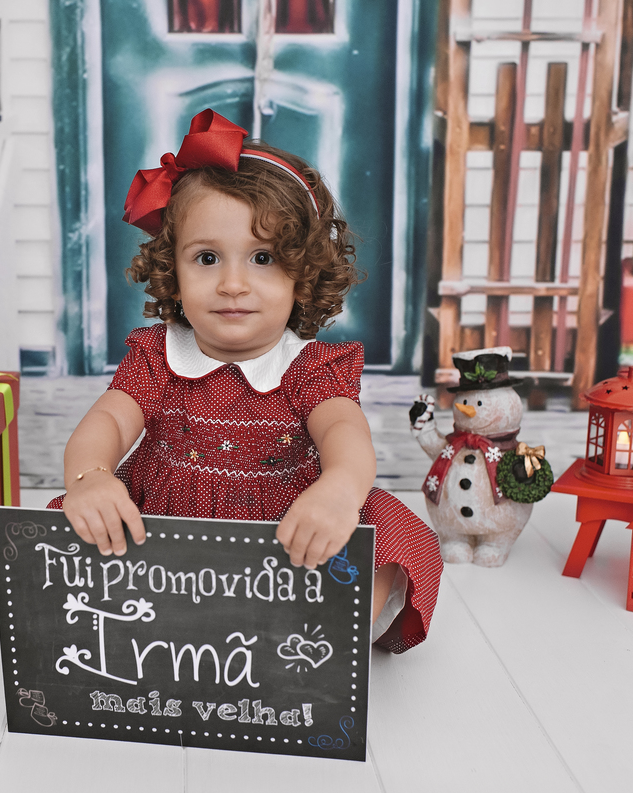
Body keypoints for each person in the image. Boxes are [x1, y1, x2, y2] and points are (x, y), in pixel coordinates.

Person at [49, 110, 442, 652]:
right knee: (77, 520)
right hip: (165, 530)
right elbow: (109, 420)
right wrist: (91, 475)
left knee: (387, 531)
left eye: (263, 258)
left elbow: (344, 434)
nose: (233, 284)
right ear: (173, 268)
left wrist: (339, 490)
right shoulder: (159, 356)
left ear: (303, 272)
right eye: (207, 258)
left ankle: (317, 651)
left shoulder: (308, 369)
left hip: (289, 535)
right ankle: (147, 638)